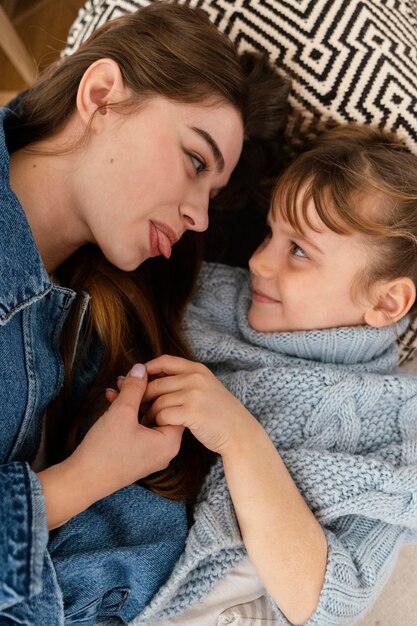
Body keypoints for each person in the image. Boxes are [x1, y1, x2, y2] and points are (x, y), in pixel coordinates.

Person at [0, 3, 290, 625]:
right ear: (102, 95)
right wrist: (81, 481)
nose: (201, 219)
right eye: (194, 161)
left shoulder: (106, 329)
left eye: (213, 195)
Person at [114, 124, 417, 625]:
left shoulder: (398, 417)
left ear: (386, 300)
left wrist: (240, 437)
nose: (258, 261)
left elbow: (330, 603)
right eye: (269, 234)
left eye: (298, 250)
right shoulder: (205, 297)